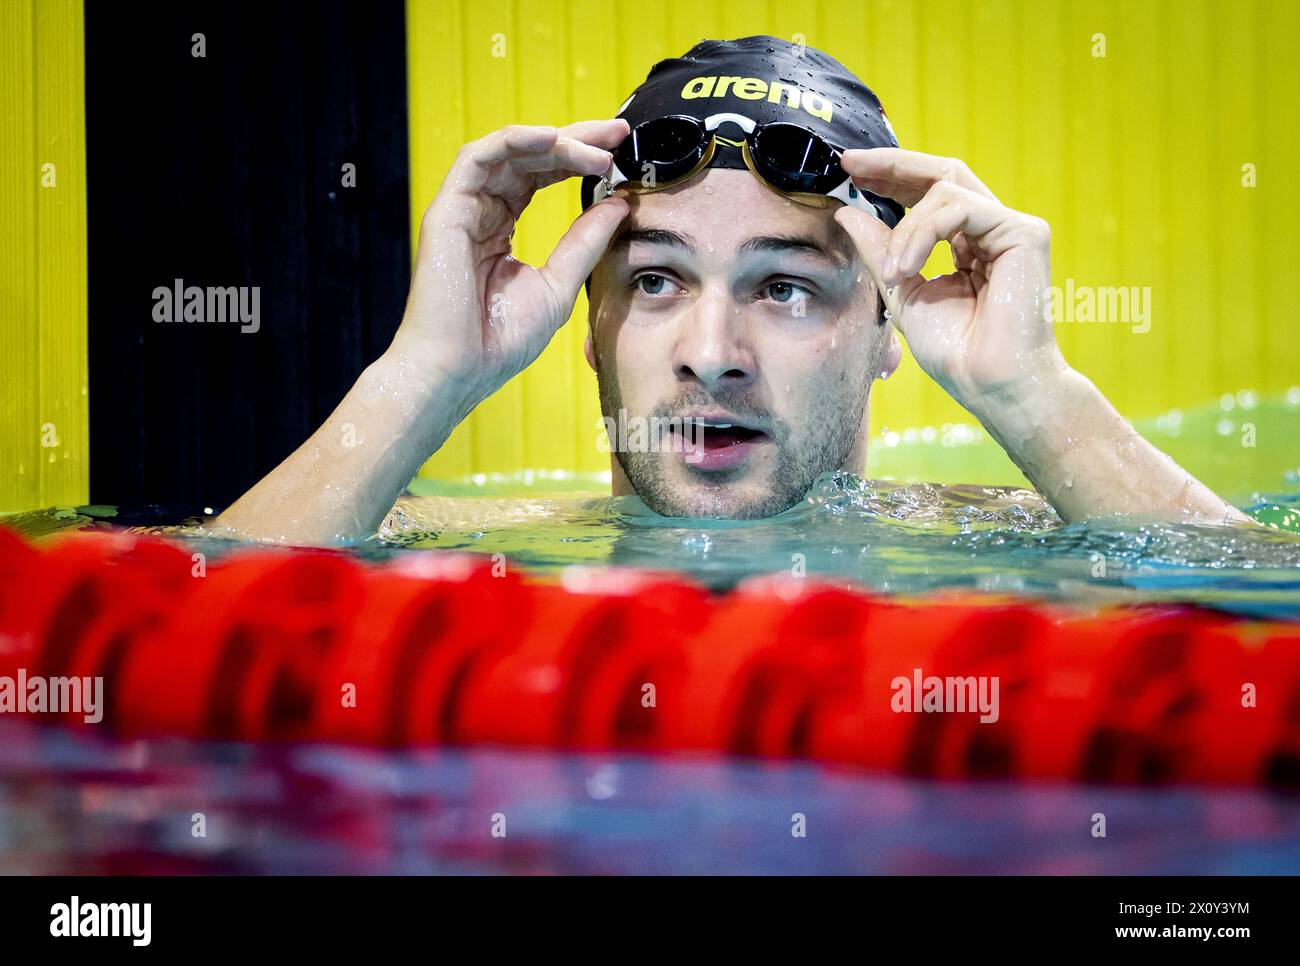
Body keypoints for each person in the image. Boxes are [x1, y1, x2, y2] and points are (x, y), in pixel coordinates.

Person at [214, 36, 1247, 543]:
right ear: (588, 320)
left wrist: (1037, 400)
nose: (712, 351)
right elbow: (173, 638)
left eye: (785, 288)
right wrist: (422, 376)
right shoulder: (449, 545)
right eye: (656, 278)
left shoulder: (1004, 537)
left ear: (886, 325)